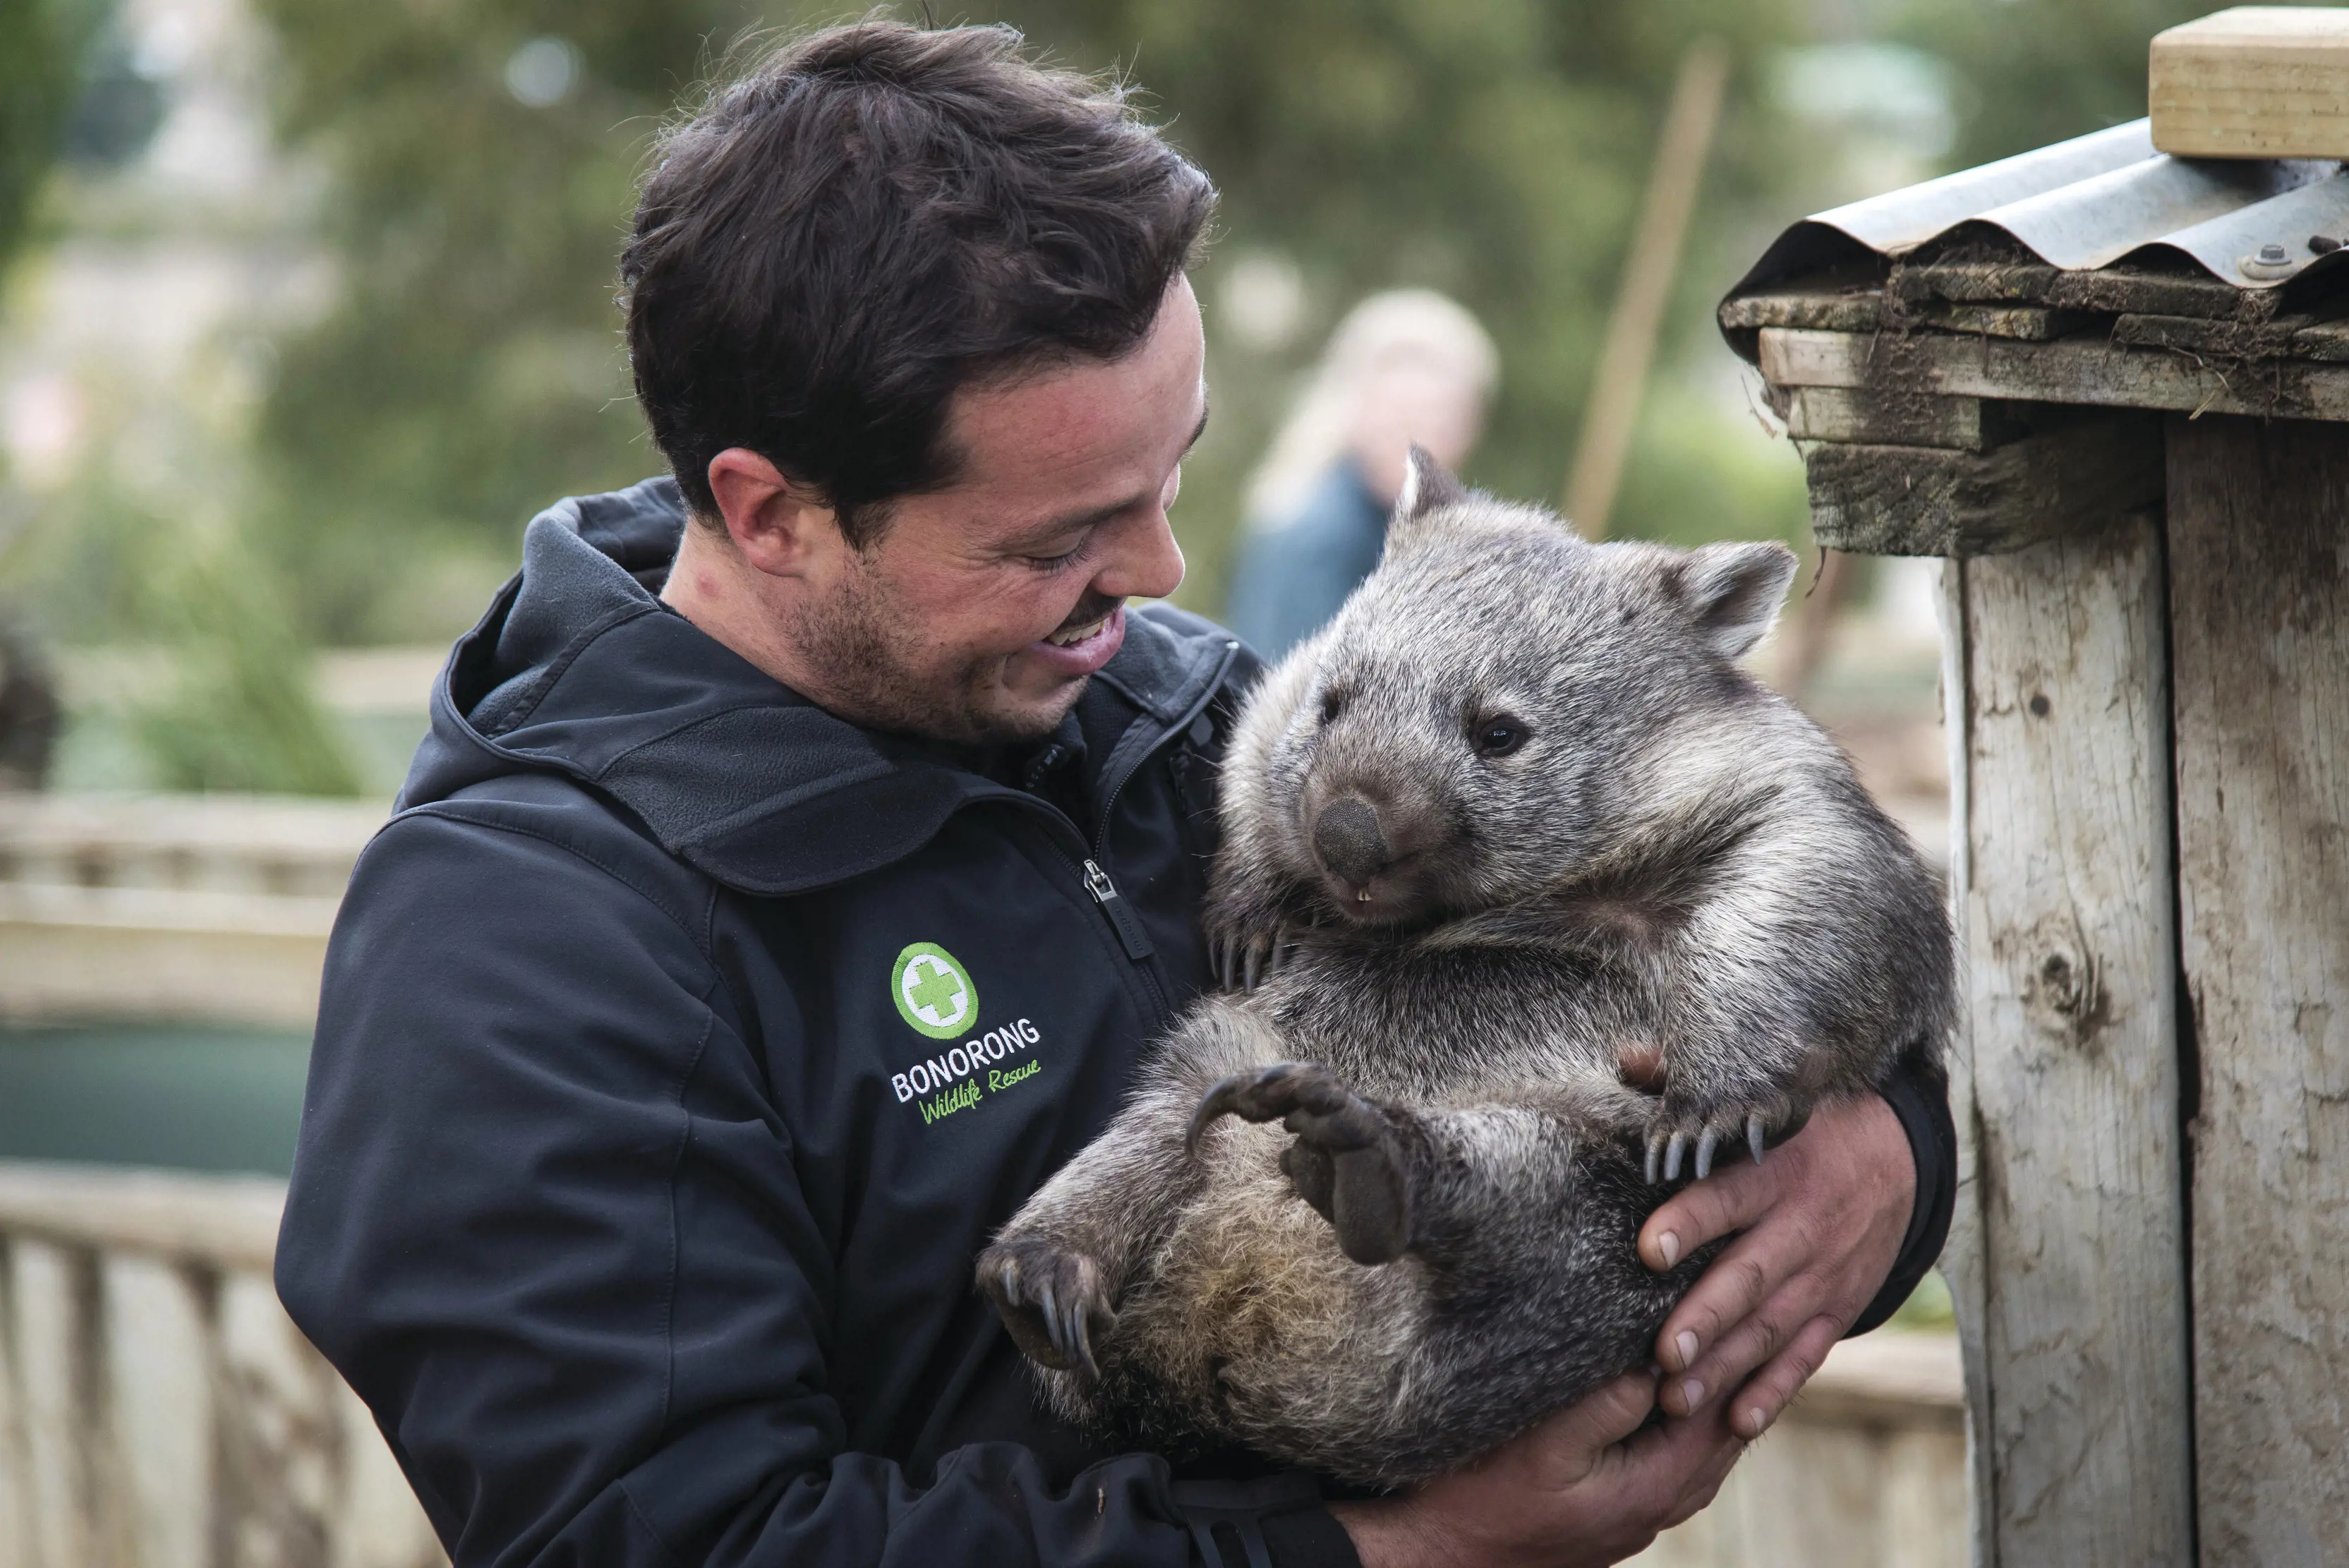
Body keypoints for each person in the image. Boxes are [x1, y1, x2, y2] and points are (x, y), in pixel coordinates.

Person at [274, 23, 1954, 1568]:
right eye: (1058, 538)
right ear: (771, 510)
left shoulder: (1173, 718)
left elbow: (1727, 971)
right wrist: (1371, 1555)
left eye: (1170, 477)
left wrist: (1879, 1166)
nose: (1153, 575)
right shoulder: (524, 942)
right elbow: (683, 1539)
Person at [1223, 290, 1497, 662]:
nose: (1419, 441)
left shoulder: (1465, 532)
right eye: (1401, 416)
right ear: (1356, 412)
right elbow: (1289, 687)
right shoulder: (1316, 539)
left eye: (1440, 420)